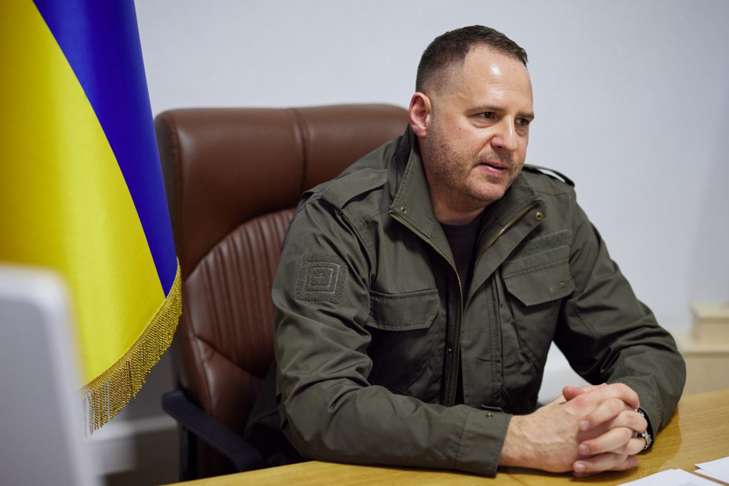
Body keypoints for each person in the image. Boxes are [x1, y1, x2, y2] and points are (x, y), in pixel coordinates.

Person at [245, 25, 685, 477]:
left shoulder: (551, 214)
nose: (509, 141)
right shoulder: (339, 220)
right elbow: (320, 405)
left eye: (522, 122)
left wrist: (626, 422)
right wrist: (514, 438)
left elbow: (644, 346)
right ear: (422, 115)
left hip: (499, 473)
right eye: (486, 116)